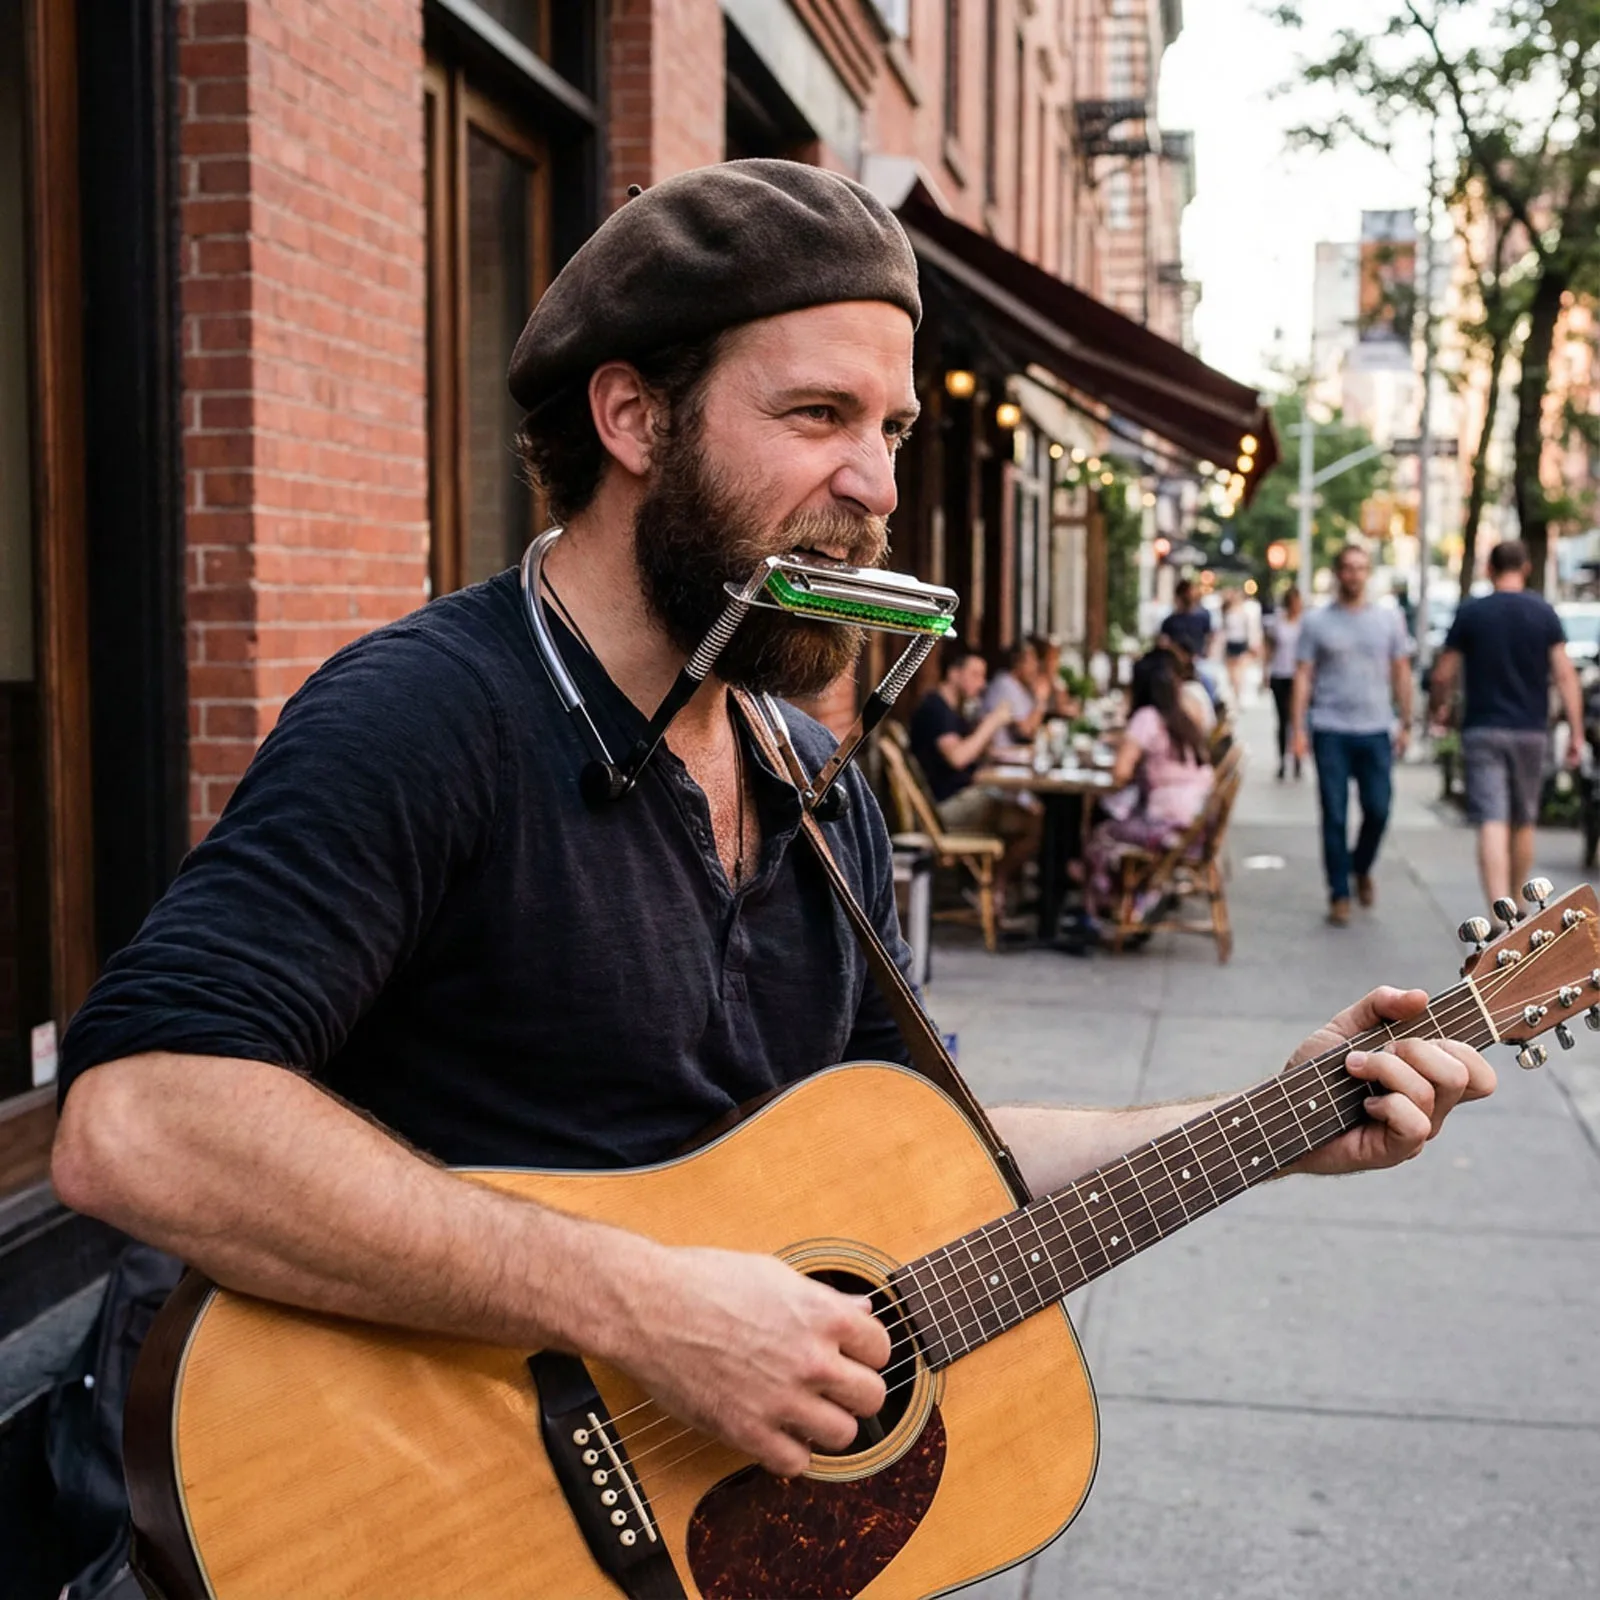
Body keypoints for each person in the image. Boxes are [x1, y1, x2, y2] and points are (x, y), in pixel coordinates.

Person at [50, 162, 1489, 1510]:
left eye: (894, 431)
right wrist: (646, 1305)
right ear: (633, 421)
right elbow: (141, 1123)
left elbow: (926, 1152)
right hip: (381, 1508)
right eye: (818, 418)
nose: (875, 483)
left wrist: (1266, 1124)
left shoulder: (809, 779)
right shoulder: (435, 718)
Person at [1428, 540, 1584, 909]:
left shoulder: (1472, 613)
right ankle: (1520, 904)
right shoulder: (1544, 613)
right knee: (1523, 818)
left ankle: (1499, 915)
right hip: (1531, 729)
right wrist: (1576, 732)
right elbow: (1564, 674)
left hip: (1483, 728)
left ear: (1489, 568)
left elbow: (1442, 674)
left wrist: (1439, 709)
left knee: (1492, 820)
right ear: (1526, 567)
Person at [1292, 545, 1414, 926]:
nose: (1354, 575)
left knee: (1378, 809)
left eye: (1361, 568)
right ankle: (1339, 893)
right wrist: (1297, 729)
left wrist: (1407, 722)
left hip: (1376, 728)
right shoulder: (1316, 622)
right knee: (1334, 814)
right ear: (1337, 573)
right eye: (1347, 568)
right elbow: (1303, 675)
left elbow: (1401, 671)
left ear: (1369, 573)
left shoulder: (1389, 620)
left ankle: (1360, 867)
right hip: (1330, 729)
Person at [1084, 650, 1215, 928]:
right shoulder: (1181, 715)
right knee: (1117, 816)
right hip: (1198, 822)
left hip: (1168, 825)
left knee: (1098, 835)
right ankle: (1134, 896)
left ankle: (1113, 905)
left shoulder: (1146, 717)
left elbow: (1121, 772)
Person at [909, 643, 1042, 909]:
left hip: (958, 798)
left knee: (1031, 816)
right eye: (975, 674)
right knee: (1032, 821)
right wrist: (992, 721)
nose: (981, 684)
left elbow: (972, 754)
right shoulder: (935, 708)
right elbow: (958, 758)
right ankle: (993, 889)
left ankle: (992, 887)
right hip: (943, 810)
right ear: (953, 673)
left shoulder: (954, 708)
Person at [1264, 586, 1304, 780]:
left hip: (1299, 677)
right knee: (1282, 720)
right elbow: (1269, 647)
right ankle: (1282, 760)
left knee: (1297, 718)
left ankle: (1298, 758)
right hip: (1280, 673)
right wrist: (1266, 670)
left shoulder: (1305, 624)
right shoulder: (1277, 622)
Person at [981, 640, 1049, 752]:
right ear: (1018, 663)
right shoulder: (1005, 684)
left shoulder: (1021, 687)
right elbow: (1026, 731)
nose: (1035, 668)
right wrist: (1040, 701)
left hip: (1014, 755)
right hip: (1000, 757)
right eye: (1031, 662)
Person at [1158, 577, 1213, 662]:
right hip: (1178, 663)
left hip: (1194, 660)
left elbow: (1209, 637)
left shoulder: (1202, 616)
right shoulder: (1170, 621)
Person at [1219, 589, 1256, 702]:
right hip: (1231, 642)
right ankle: (1235, 691)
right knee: (1231, 671)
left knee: (1239, 670)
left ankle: (1237, 692)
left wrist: (1251, 644)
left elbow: (1249, 629)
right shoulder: (1227, 612)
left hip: (1241, 643)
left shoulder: (1244, 613)